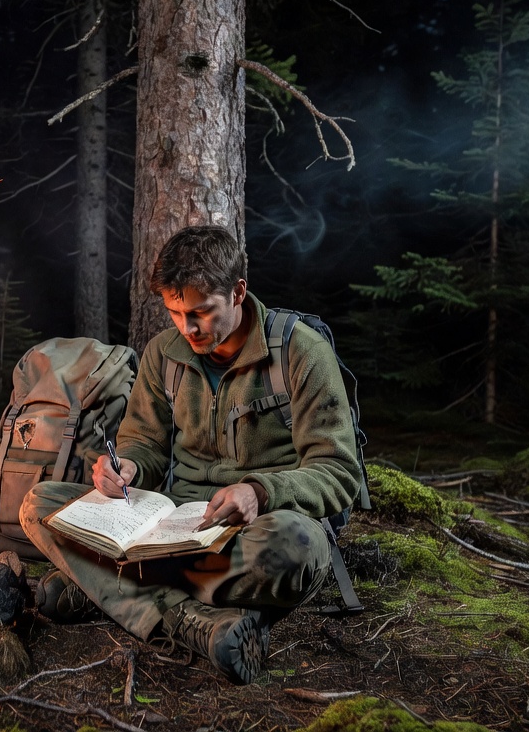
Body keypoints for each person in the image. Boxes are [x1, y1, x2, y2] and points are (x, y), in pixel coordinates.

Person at [19, 225, 365, 684]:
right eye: (175, 313)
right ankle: (185, 620)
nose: (188, 328)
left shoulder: (300, 352)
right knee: (40, 505)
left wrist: (262, 491)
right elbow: (143, 441)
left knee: (292, 549)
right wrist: (128, 466)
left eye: (201, 312)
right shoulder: (164, 353)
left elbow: (339, 472)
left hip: (259, 526)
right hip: (171, 525)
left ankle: (105, 585)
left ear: (238, 292)